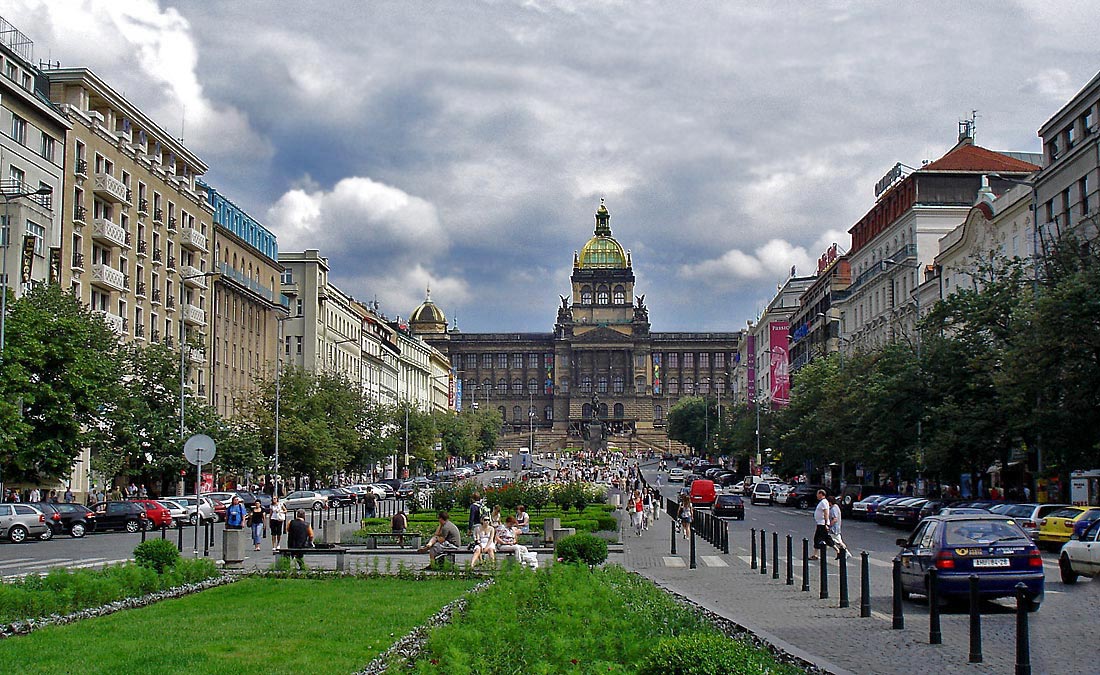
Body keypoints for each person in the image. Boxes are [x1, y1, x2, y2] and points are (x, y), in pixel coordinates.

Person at [810, 489, 834, 560]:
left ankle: (815, 555)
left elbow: (826, 512)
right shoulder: (823, 502)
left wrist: (826, 523)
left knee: (818, 538)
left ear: (821, 494)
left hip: (822, 524)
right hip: (821, 523)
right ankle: (838, 551)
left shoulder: (823, 502)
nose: (816, 495)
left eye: (817, 494)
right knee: (826, 538)